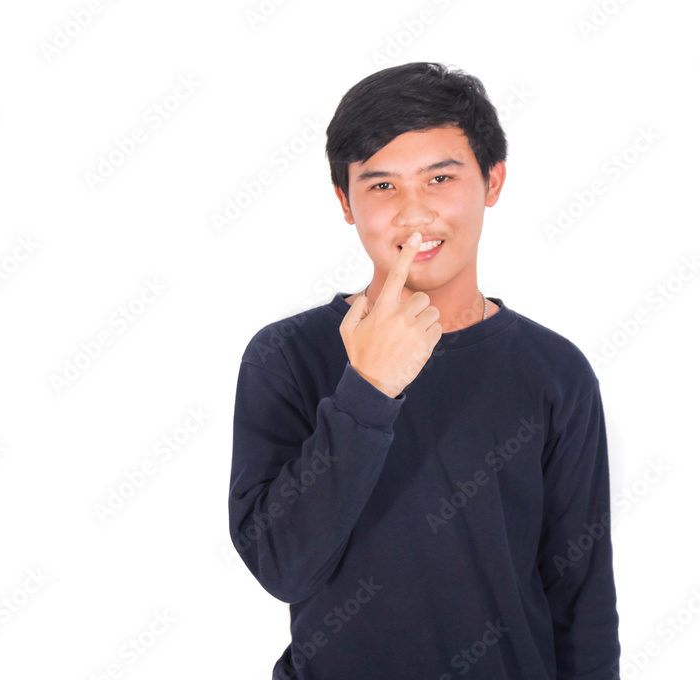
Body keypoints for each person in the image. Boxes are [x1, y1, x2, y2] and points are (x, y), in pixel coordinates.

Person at [227, 62, 620, 679]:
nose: (414, 214)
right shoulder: (286, 356)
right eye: (381, 186)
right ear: (345, 203)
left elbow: (582, 600)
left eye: (440, 177)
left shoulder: (554, 372)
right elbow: (282, 568)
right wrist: (369, 391)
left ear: (493, 181)